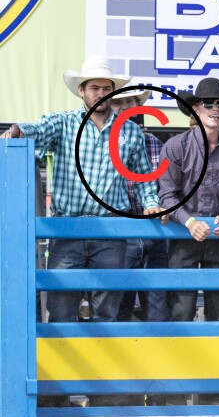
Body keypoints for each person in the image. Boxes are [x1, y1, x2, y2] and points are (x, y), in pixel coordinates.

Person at [1, 56, 160, 322]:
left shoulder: (130, 132)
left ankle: (100, 350)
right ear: (81, 91)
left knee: (106, 311)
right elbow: (38, 129)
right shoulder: (64, 123)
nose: (100, 94)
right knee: (62, 309)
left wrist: (151, 203)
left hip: (110, 230)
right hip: (68, 229)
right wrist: (17, 131)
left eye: (106, 88)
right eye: (94, 88)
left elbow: (143, 174)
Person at [159, 77, 219, 323]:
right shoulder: (176, 146)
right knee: (181, 311)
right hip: (182, 235)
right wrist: (189, 222)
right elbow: (166, 195)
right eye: (208, 104)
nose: (215, 109)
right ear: (195, 109)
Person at [111, 86, 171, 323]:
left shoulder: (154, 143)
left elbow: (166, 186)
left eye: (131, 102)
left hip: (153, 230)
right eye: (118, 102)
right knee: (119, 304)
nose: (125, 107)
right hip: (119, 231)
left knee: (157, 307)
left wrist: (162, 203)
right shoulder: (100, 143)